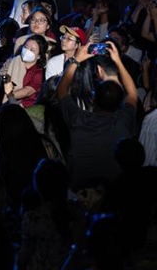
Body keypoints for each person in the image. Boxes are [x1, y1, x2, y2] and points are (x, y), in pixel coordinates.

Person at [56, 40, 138, 190]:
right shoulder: (123, 121)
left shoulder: (78, 119)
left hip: (81, 194)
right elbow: (133, 94)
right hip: (113, 192)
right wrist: (118, 61)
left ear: (93, 98)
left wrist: (77, 59)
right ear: (120, 100)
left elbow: (61, 90)